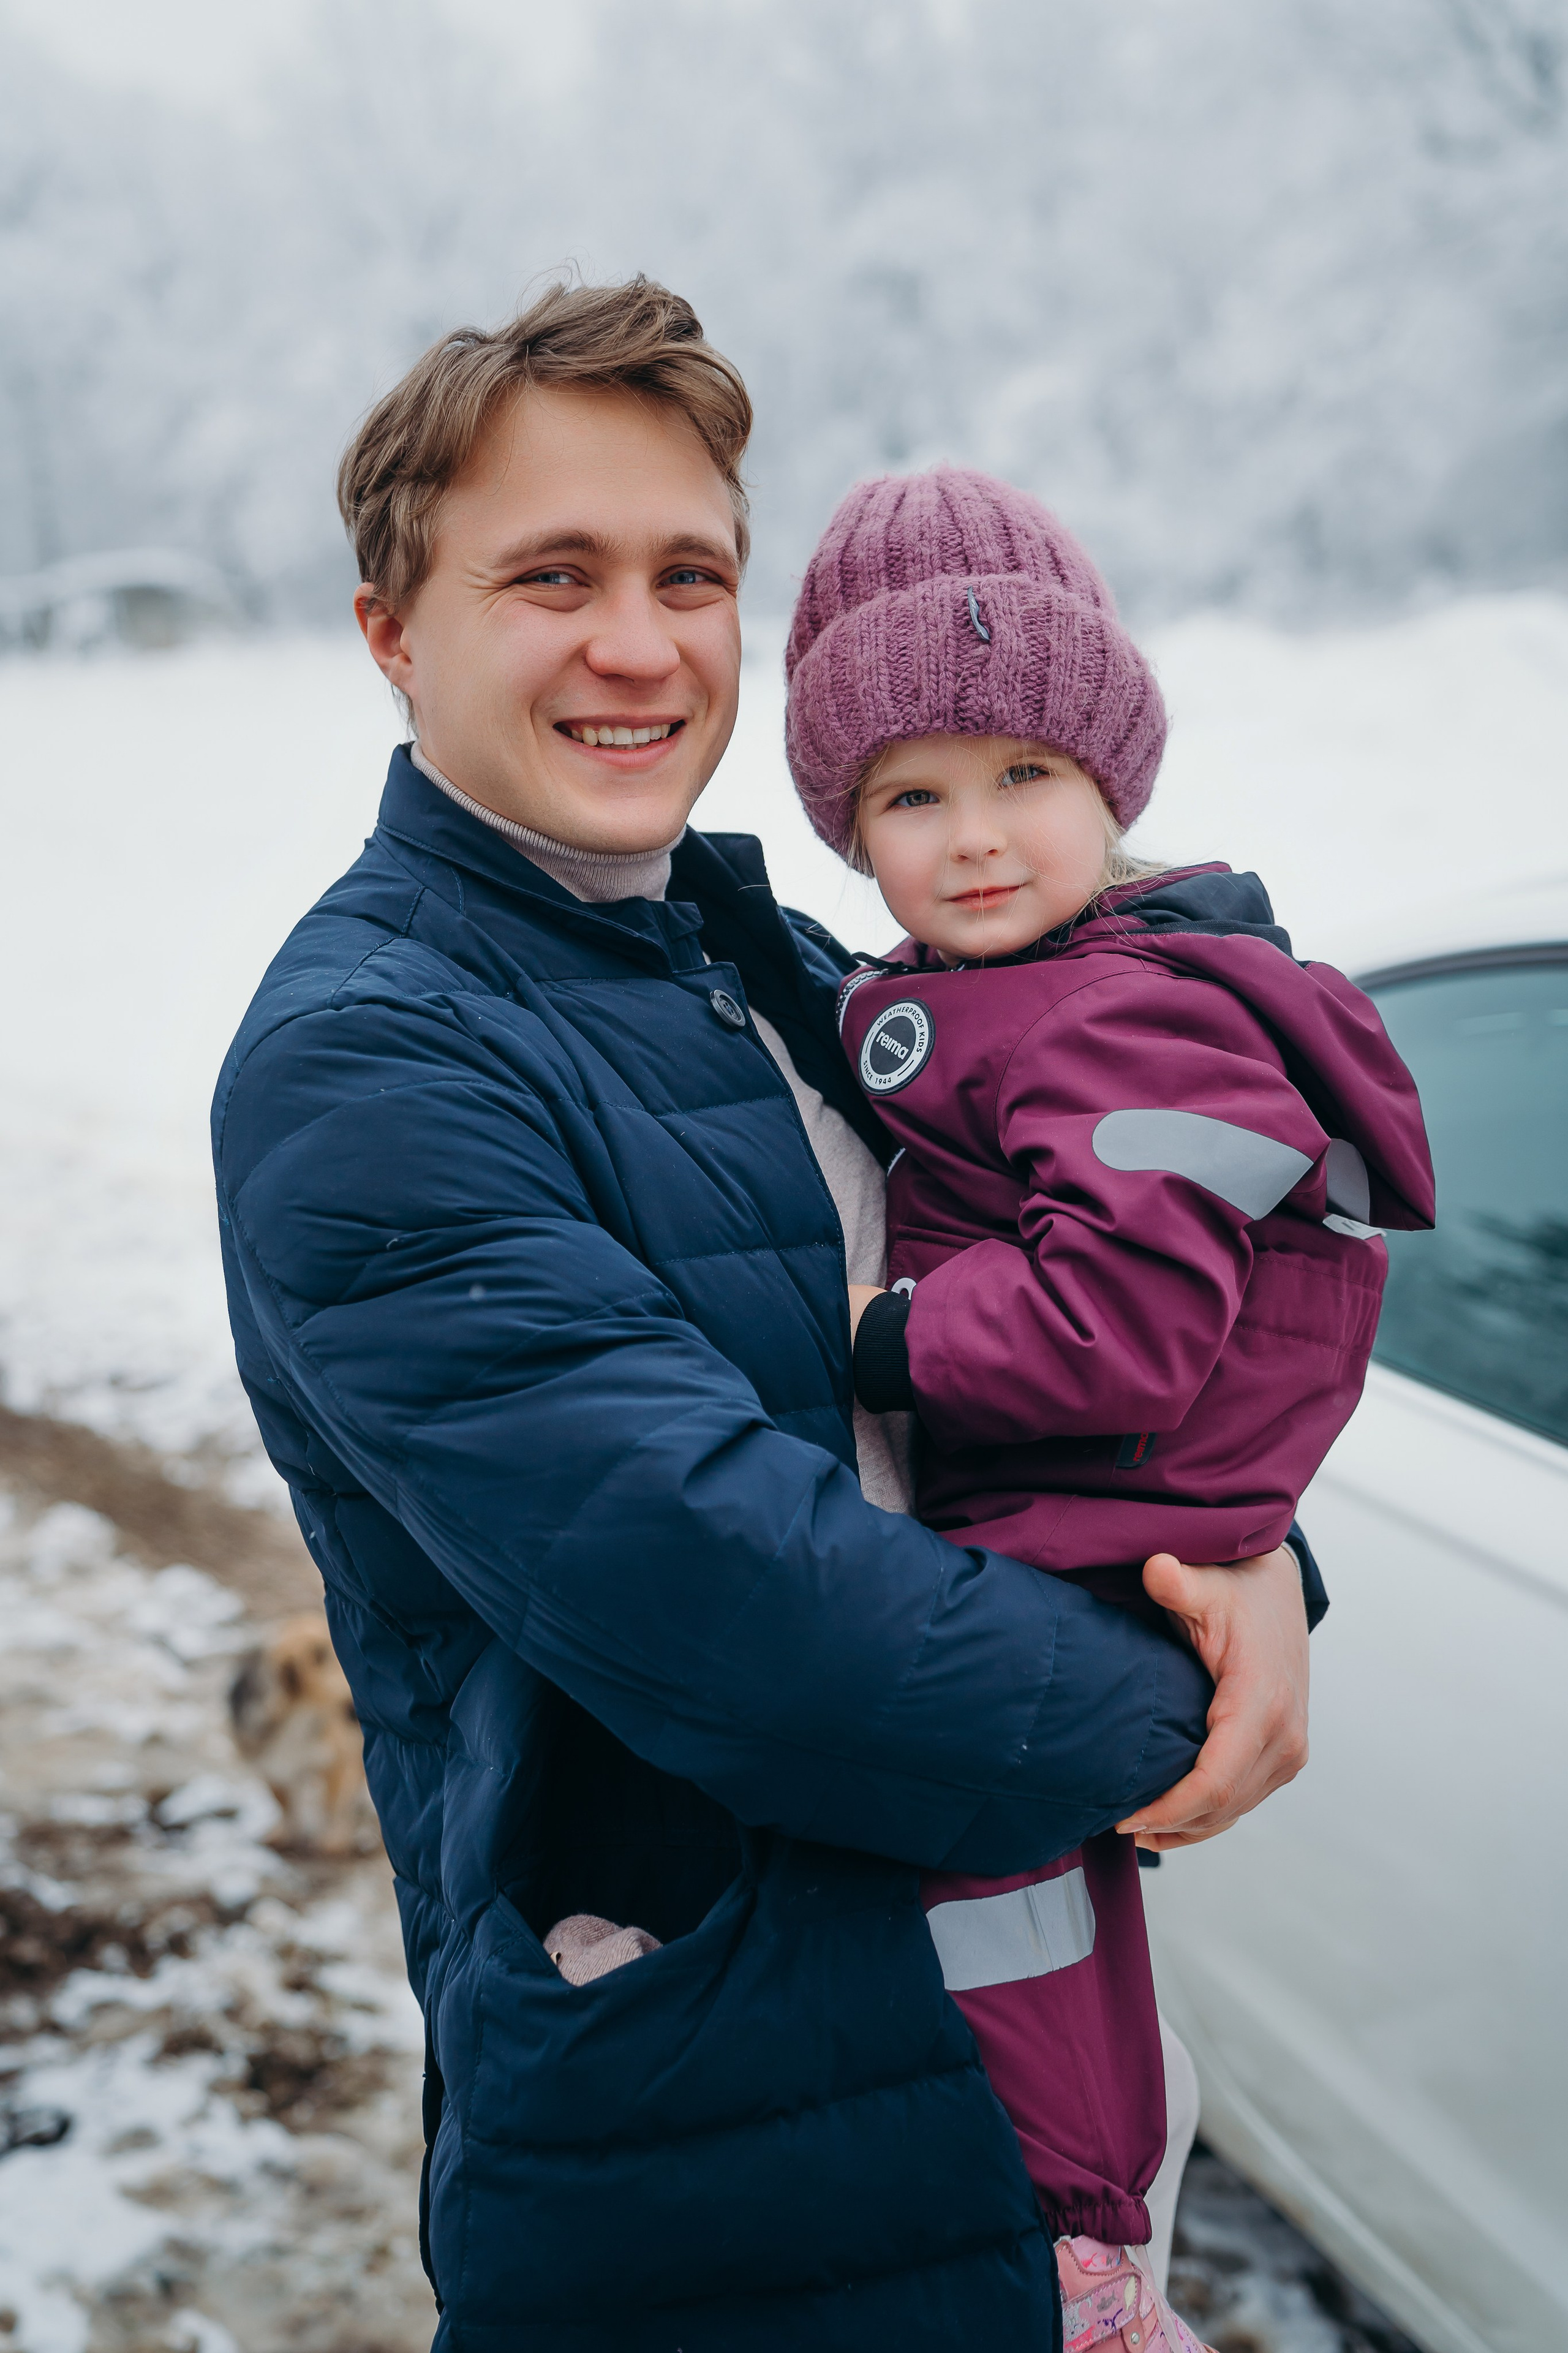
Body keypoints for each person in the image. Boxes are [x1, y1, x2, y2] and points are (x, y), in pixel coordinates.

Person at [213, 278, 1321, 2351]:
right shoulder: (369, 1064)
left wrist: (1251, 1546)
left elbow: (1107, 1315)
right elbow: (770, 1629)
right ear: (392, 628)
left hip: (1006, 2111)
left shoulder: (777, 954)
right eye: (553, 575)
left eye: (690, 574)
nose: (638, 643)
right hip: (721, 2183)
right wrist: (1190, 1668)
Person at [782, 466, 1434, 2346]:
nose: (975, 838)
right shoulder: (994, 984)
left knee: (1007, 1886)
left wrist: (879, 1337)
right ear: (849, 825)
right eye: (912, 794)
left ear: (1112, 784)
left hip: (1101, 1492)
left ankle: (1082, 2241)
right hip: (1071, 1492)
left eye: (1023, 778)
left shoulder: (1129, 1008)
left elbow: (1124, 1323)